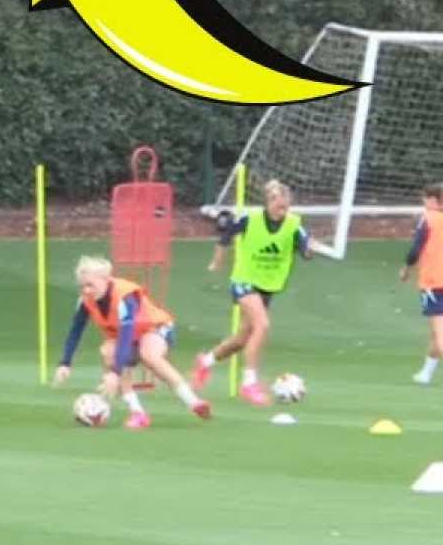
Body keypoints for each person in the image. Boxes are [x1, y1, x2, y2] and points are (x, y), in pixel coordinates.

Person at [193, 179, 318, 404]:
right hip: (244, 279)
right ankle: (249, 383)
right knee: (263, 325)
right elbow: (226, 234)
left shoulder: (294, 225)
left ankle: (206, 361)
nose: (282, 206)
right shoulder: (250, 220)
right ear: (269, 202)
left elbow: (306, 251)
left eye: (285, 201)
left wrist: (309, 251)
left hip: (267, 285)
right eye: (277, 201)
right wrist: (217, 262)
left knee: (242, 338)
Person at [55, 255, 211, 430]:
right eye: (83, 286)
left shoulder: (124, 297)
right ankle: (138, 413)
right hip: (126, 337)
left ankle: (194, 402)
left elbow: (126, 334)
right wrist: (65, 363)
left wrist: (115, 372)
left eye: (90, 285)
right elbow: (76, 330)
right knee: (108, 352)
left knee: (149, 355)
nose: (86, 290)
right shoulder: (86, 301)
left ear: (106, 279)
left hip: (155, 328)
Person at [402, 182, 443, 385]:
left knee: (439, 334)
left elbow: (415, 248)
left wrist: (406, 268)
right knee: (436, 334)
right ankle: (426, 374)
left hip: (434, 282)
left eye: (425, 199)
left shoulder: (428, 219)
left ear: (435, 200)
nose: (423, 202)